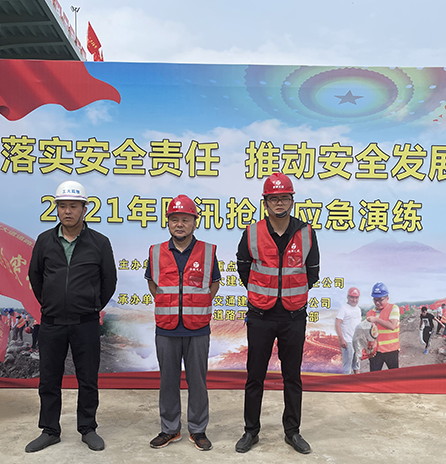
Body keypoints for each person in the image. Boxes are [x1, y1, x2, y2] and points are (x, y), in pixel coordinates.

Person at [26, 180, 117, 453]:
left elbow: (109, 281)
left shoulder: (99, 243)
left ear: (84, 209)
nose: (68, 211)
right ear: (56, 208)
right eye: (62, 205)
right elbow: (35, 277)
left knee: (87, 379)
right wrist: (51, 303)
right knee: (48, 380)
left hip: (85, 323)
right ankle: (50, 430)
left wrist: (90, 305)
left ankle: (88, 428)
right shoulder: (44, 241)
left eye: (74, 206)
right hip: (52, 323)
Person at [235, 172, 320, 455]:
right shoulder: (252, 233)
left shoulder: (306, 233)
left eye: (284, 197)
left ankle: (292, 431)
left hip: (293, 316)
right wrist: (264, 294)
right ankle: (251, 431)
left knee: (292, 376)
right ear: (266, 202)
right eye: (274, 198)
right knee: (254, 376)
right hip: (260, 316)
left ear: (292, 200)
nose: (279, 203)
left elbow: (312, 272)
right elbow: (244, 268)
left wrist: (290, 295)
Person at [145, 195, 221, 451]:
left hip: (197, 328)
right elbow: (153, 284)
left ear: (194, 222)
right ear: (168, 222)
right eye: (174, 219)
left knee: (197, 381)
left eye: (185, 220)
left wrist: (195, 304)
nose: (180, 224)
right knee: (168, 381)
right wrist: (171, 304)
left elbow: (213, 285)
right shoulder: (156, 251)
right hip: (166, 328)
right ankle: (170, 429)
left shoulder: (208, 251)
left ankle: (198, 430)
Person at [365, 282, 400, 371]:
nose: (377, 302)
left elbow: (392, 325)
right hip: (375, 351)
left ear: (387, 298)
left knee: (394, 375)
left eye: (380, 299)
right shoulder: (370, 313)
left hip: (391, 350)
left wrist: (376, 320)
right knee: (374, 376)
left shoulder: (393, 308)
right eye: (375, 300)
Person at [335, 287, 363, 374]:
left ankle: (357, 380)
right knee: (347, 365)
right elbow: (337, 323)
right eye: (352, 297)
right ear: (348, 297)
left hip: (357, 341)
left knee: (356, 364)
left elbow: (359, 324)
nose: (354, 300)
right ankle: (345, 381)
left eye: (356, 297)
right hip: (348, 341)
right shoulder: (344, 308)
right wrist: (341, 339)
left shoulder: (358, 309)